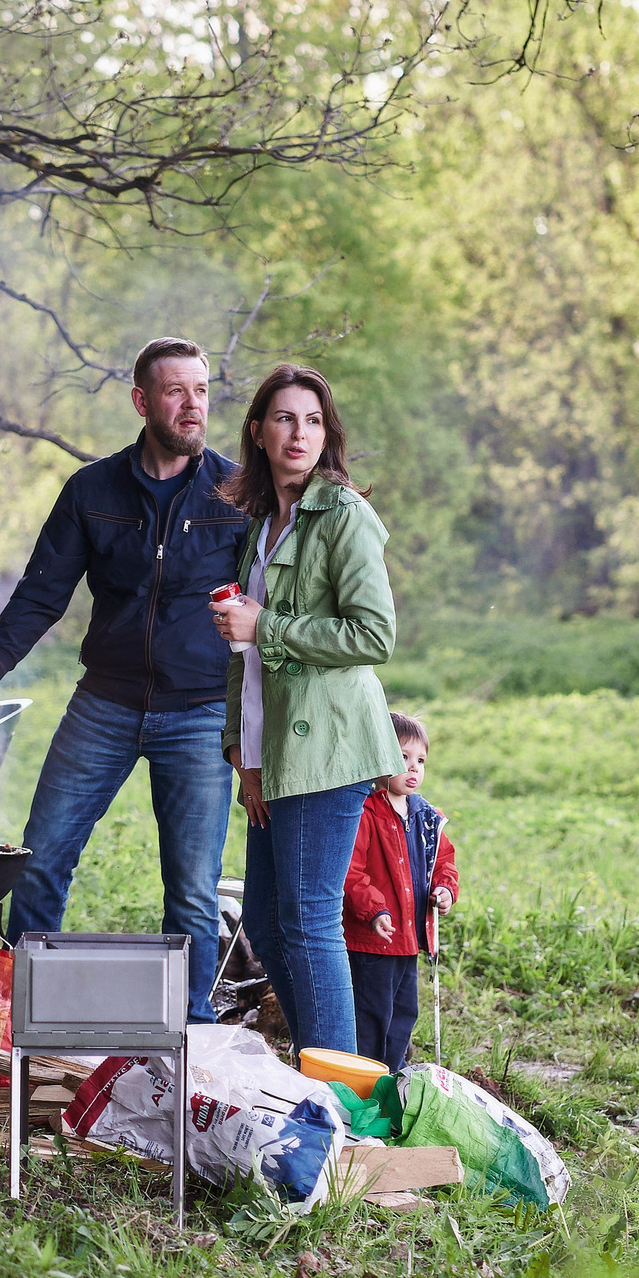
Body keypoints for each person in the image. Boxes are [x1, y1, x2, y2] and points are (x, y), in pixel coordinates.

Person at [0, 338, 247, 1023]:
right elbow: (40, 593)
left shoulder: (236, 494)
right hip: (104, 704)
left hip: (200, 712)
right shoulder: (93, 490)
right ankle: (16, 1017)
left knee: (194, 894)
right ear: (143, 401)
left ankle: (194, 1038)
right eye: (176, 391)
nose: (192, 404)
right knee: (40, 860)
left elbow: (268, 604)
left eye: (201, 390)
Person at [208, 364, 403, 1058]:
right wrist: (244, 756)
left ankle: (341, 1097)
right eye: (286, 418)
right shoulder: (261, 524)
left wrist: (269, 625)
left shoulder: (344, 514)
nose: (300, 433)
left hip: (330, 747)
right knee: (265, 915)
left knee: (310, 920)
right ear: (258, 431)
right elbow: (244, 653)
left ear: (328, 435)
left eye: (314, 420)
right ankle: (321, 1064)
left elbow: (374, 635)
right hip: (277, 755)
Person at [342, 711, 458, 1074]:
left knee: (405, 1012)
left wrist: (444, 889)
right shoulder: (365, 812)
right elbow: (351, 871)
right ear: (378, 757)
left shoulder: (425, 816)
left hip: (409, 939)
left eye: (420, 760)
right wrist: (375, 910)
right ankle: (367, 1080)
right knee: (373, 1014)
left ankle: (392, 1075)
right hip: (373, 940)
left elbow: (443, 860)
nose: (413, 768)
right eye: (402, 758)